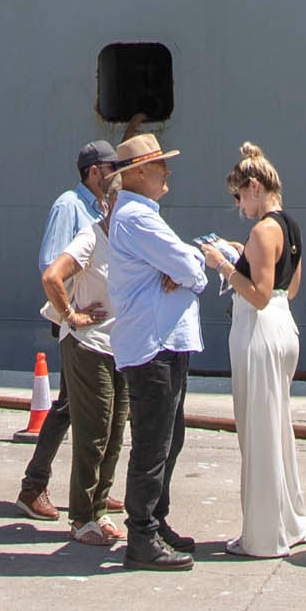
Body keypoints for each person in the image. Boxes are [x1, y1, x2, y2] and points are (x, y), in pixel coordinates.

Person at [93, 131, 210, 568]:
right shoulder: (138, 217)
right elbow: (190, 265)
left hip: (163, 342)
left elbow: (183, 261)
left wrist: (184, 265)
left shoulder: (141, 214)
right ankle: (142, 534)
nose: (168, 173)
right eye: (162, 165)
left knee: (168, 438)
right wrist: (189, 269)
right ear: (139, 172)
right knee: (153, 441)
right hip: (153, 345)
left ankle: (155, 521)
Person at [16, 140, 123, 526]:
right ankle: (34, 485)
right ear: (95, 171)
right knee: (67, 408)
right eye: (112, 168)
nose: (117, 175)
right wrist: (72, 312)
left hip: (94, 324)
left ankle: (93, 489)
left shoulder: (100, 208)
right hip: (75, 321)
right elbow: (51, 262)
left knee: (73, 408)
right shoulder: (70, 205)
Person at [224, 143, 306, 556]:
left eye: (239, 196)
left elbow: (257, 295)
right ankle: (290, 521)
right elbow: (287, 288)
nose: (239, 207)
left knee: (258, 432)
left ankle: (262, 536)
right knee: (278, 428)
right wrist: (242, 256)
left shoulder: (261, 230)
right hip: (283, 326)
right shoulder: (290, 226)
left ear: (254, 187)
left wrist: (222, 266)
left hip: (258, 331)